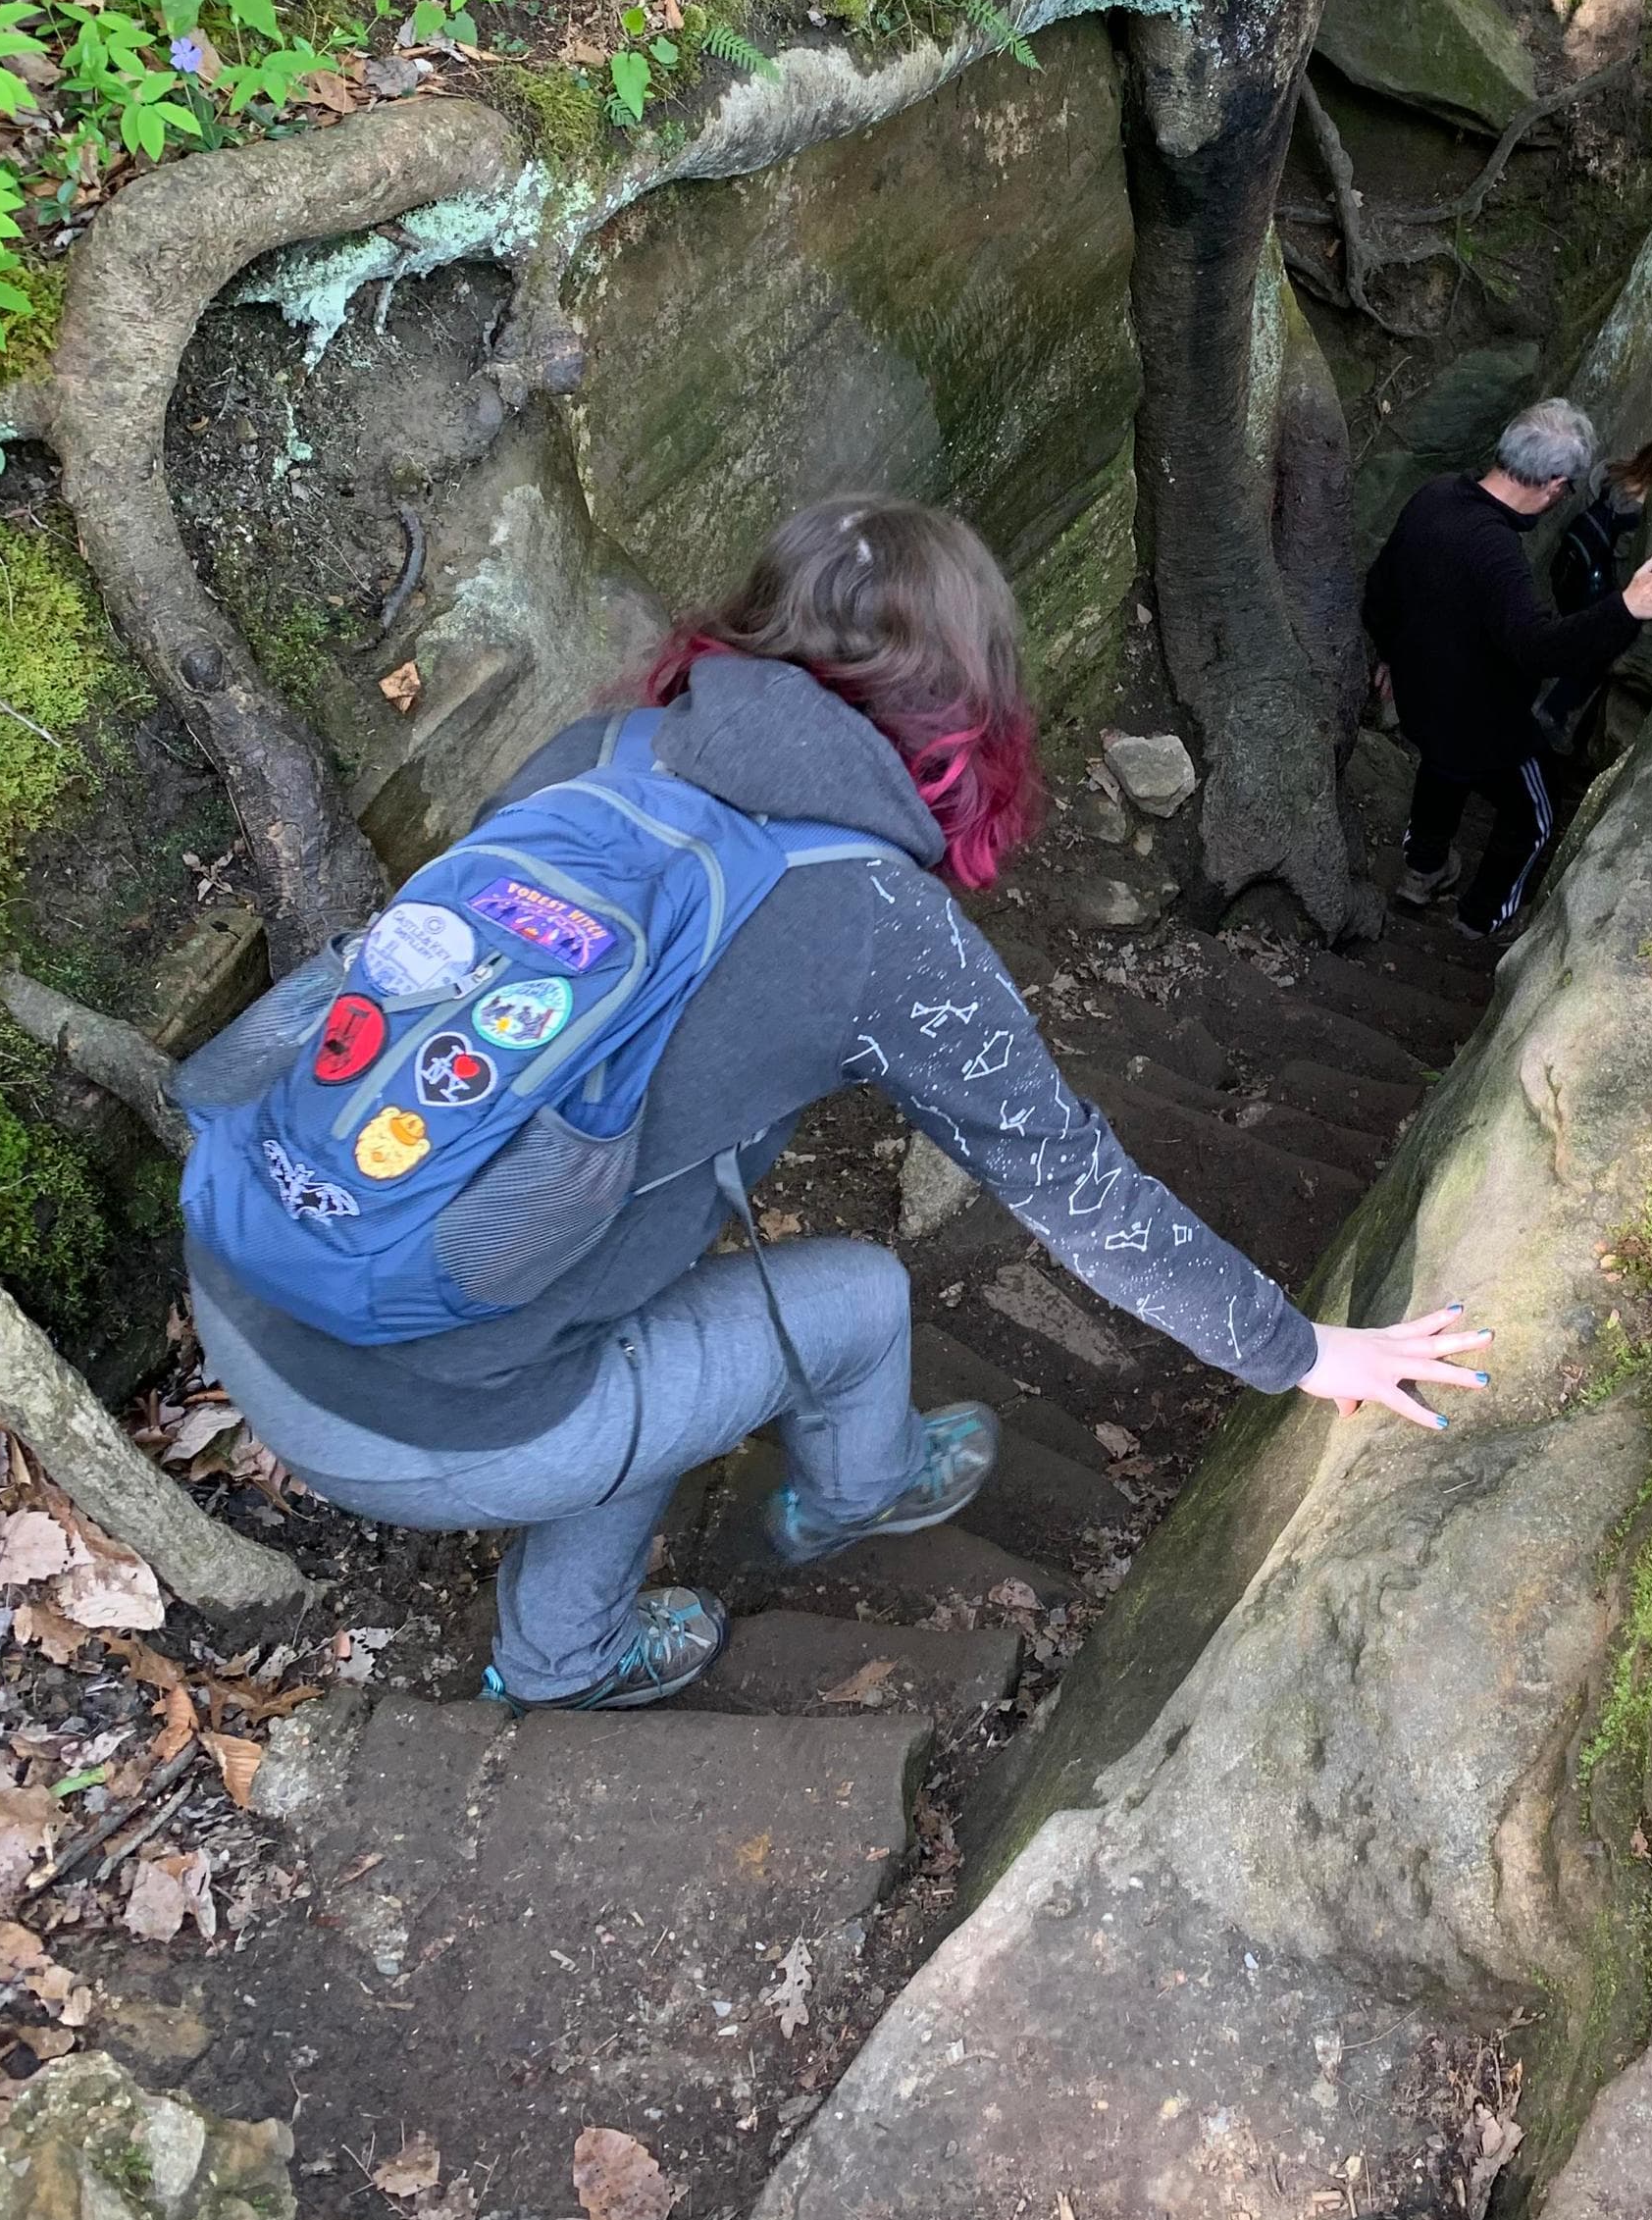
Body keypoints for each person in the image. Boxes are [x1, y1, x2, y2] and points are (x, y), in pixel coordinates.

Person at [181, 498, 1491, 1711]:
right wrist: (1303, 1352)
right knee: (861, 1300)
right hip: (419, 1422)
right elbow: (1075, 1186)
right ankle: (771, 1541)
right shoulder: (878, 923)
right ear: (970, 715)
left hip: (251, 1245)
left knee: (631, 1297)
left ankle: (581, 1583)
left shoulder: (603, 752)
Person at [1363, 399, 1652, 938]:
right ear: (1555, 486)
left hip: (1420, 698)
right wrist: (1627, 607)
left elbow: (1381, 588)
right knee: (1533, 815)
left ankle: (1421, 871)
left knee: (1441, 768)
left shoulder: (1436, 495)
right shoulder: (1496, 554)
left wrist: (1390, 654)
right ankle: (1481, 918)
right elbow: (1538, 648)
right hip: (1485, 721)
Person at [1530, 428, 1652, 759]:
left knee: (1571, 640)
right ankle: (1552, 713)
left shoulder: (1613, 476)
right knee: (1591, 659)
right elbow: (1623, 574)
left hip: (1572, 574)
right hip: (1596, 593)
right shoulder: (1638, 518)